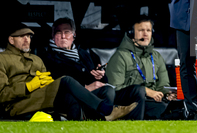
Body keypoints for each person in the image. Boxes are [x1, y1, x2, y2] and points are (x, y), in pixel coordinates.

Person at [0, 22, 137, 120]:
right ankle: (107, 110)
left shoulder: (36, 60)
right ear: (11, 40)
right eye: (21, 36)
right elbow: (2, 94)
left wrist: (99, 76)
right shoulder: (2, 59)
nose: (27, 40)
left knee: (72, 97)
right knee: (66, 80)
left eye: (29, 37)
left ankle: (98, 121)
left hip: (39, 99)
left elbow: (46, 83)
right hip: (17, 105)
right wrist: (28, 86)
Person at [40, 17, 116, 120]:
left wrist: (100, 76)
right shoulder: (47, 57)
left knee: (108, 90)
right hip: (63, 97)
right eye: (58, 33)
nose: (63, 36)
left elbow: (99, 78)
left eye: (67, 32)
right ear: (53, 36)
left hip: (90, 95)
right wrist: (85, 87)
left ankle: (100, 117)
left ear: (73, 35)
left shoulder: (84, 54)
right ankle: (104, 112)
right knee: (73, 98)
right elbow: (58, 81)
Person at [106, 16, 176, 120]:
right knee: (138, 91)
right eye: (141, 30)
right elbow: (115, 89)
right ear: (131, 33)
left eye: (148, 30)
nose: (145, 34)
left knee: (169, 105)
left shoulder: (156, 56)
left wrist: (167, 94)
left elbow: (163, 85)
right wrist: (146, 91)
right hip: (125, 103)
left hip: (148, 101)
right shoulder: (120, 55)